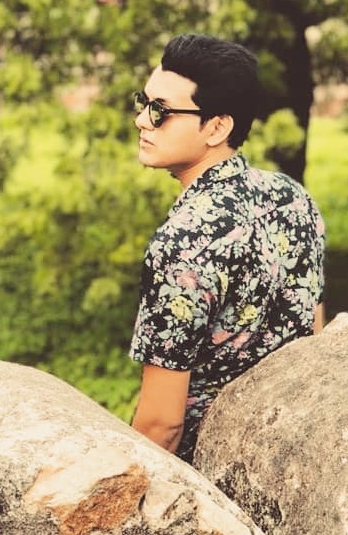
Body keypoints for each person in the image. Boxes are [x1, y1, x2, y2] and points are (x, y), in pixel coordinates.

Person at [128, 33, 326, 463]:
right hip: (290, 449)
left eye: (160, 111)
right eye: (143, 103)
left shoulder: (181, 245)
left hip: (205, 469)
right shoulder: (292, 199)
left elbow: (162, 426)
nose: (143, 120)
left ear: (217, 127)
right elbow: (314, 334)